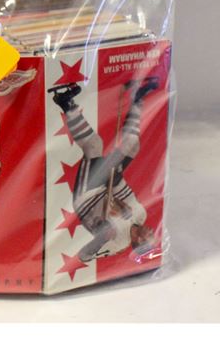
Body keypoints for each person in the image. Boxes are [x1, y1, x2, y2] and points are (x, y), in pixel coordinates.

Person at [48, 77, 159, 262]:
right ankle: (137, 98)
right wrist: (114, 169)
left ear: (139, 241)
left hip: (87, 197)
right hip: (104, 188)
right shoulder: (141, 215)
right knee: (131, 146)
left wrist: (101, 239)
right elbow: (118, 187)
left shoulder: (119, 243)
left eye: (150, 236)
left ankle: (66, 103)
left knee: (93, 146)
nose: (152, 231)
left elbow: (84, 256)